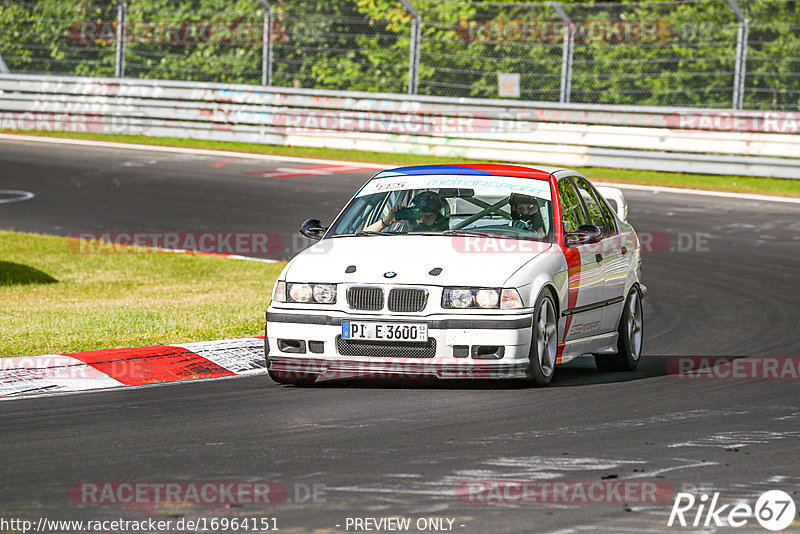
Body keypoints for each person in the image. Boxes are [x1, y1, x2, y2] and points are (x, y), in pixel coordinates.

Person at [365, 191, 450, 233]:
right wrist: (388, 220)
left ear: (438, 218)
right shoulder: (396, 237)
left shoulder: (451, 240)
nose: (421, 220)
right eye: (417, 214)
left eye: (428, 215)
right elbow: (363, 236)